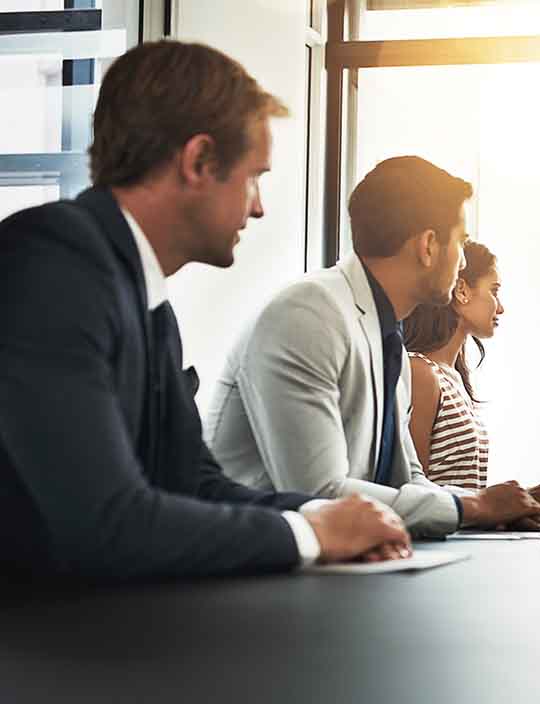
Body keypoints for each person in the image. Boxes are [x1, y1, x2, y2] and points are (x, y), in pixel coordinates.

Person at [0, 41, 410, 580]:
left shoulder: (146, 303)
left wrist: (319, 514)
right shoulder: (54, 262)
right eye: (254, 177)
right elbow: (105, 524)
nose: (259, 205)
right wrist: (312, 536)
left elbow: (194, 484)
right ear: (197, 161)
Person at [205, 156, 540, 537]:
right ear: (428, 245)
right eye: (461, 242)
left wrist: (497, 508)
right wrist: (476, 505)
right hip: (257, 575)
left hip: (333, 569)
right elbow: (318, 496)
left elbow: (410, 481)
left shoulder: (388, 342)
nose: (463, 258)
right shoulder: (308, 314)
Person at [403, 241, 498, 490]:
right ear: (461, 290)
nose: (500, 308)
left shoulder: (454, 377)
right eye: (494, 291)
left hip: (464, 527)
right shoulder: (420, 372)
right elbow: (414, 491)